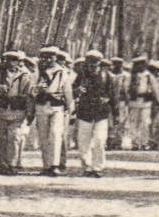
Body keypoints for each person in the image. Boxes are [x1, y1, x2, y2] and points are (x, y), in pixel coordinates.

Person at [71, 50, 113, 177]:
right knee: (83, 141)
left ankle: (98, 167)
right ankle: (87, 166)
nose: (92, 66)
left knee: (100, 139)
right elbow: (72, 90)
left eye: (95, 62)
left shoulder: (106, 76)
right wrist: (77, 90)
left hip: (101, 113)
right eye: (90, 62)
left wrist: (108, 101)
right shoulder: (81, 75)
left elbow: (112, 94)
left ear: (100, 63)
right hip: (85, 112)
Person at [32, 48, 74, 176]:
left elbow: (68, 92)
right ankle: (46, 165)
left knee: (55, 134)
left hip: (57, 107)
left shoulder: (62, 72)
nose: (47, 60)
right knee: (43, 136)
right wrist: (37, 89)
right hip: (41, 105)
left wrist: (70, 110)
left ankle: (55, 165)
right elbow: (31, 89)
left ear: (55, 58)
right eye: (44, 57)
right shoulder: (37, 71)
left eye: (50, 57)